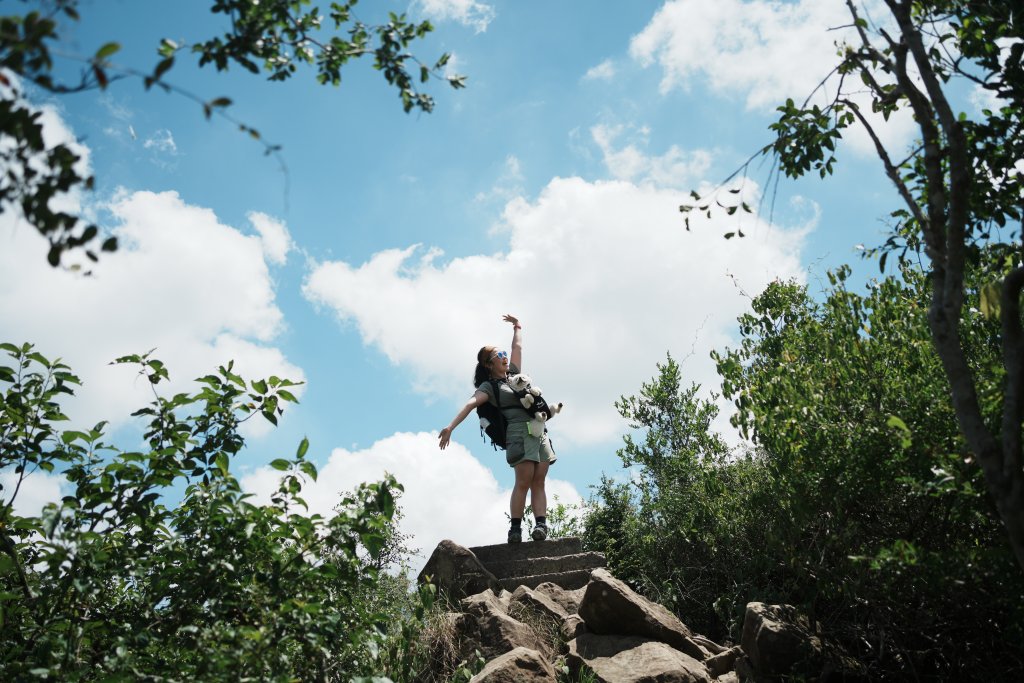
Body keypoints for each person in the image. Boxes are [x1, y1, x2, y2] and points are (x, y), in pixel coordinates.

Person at [438, 314, 557, 544]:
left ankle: (541, 526)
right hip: (518, 435)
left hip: (539, 432)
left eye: (504, 353)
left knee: (539, 481)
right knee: (523, 481)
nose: (504, 357)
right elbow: (471, 404)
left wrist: (517, 326)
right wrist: (450, 426)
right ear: (488, 364)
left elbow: (518, 346)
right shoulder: (489, 387)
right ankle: (515, 529)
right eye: (499, 355)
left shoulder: (514, 375)